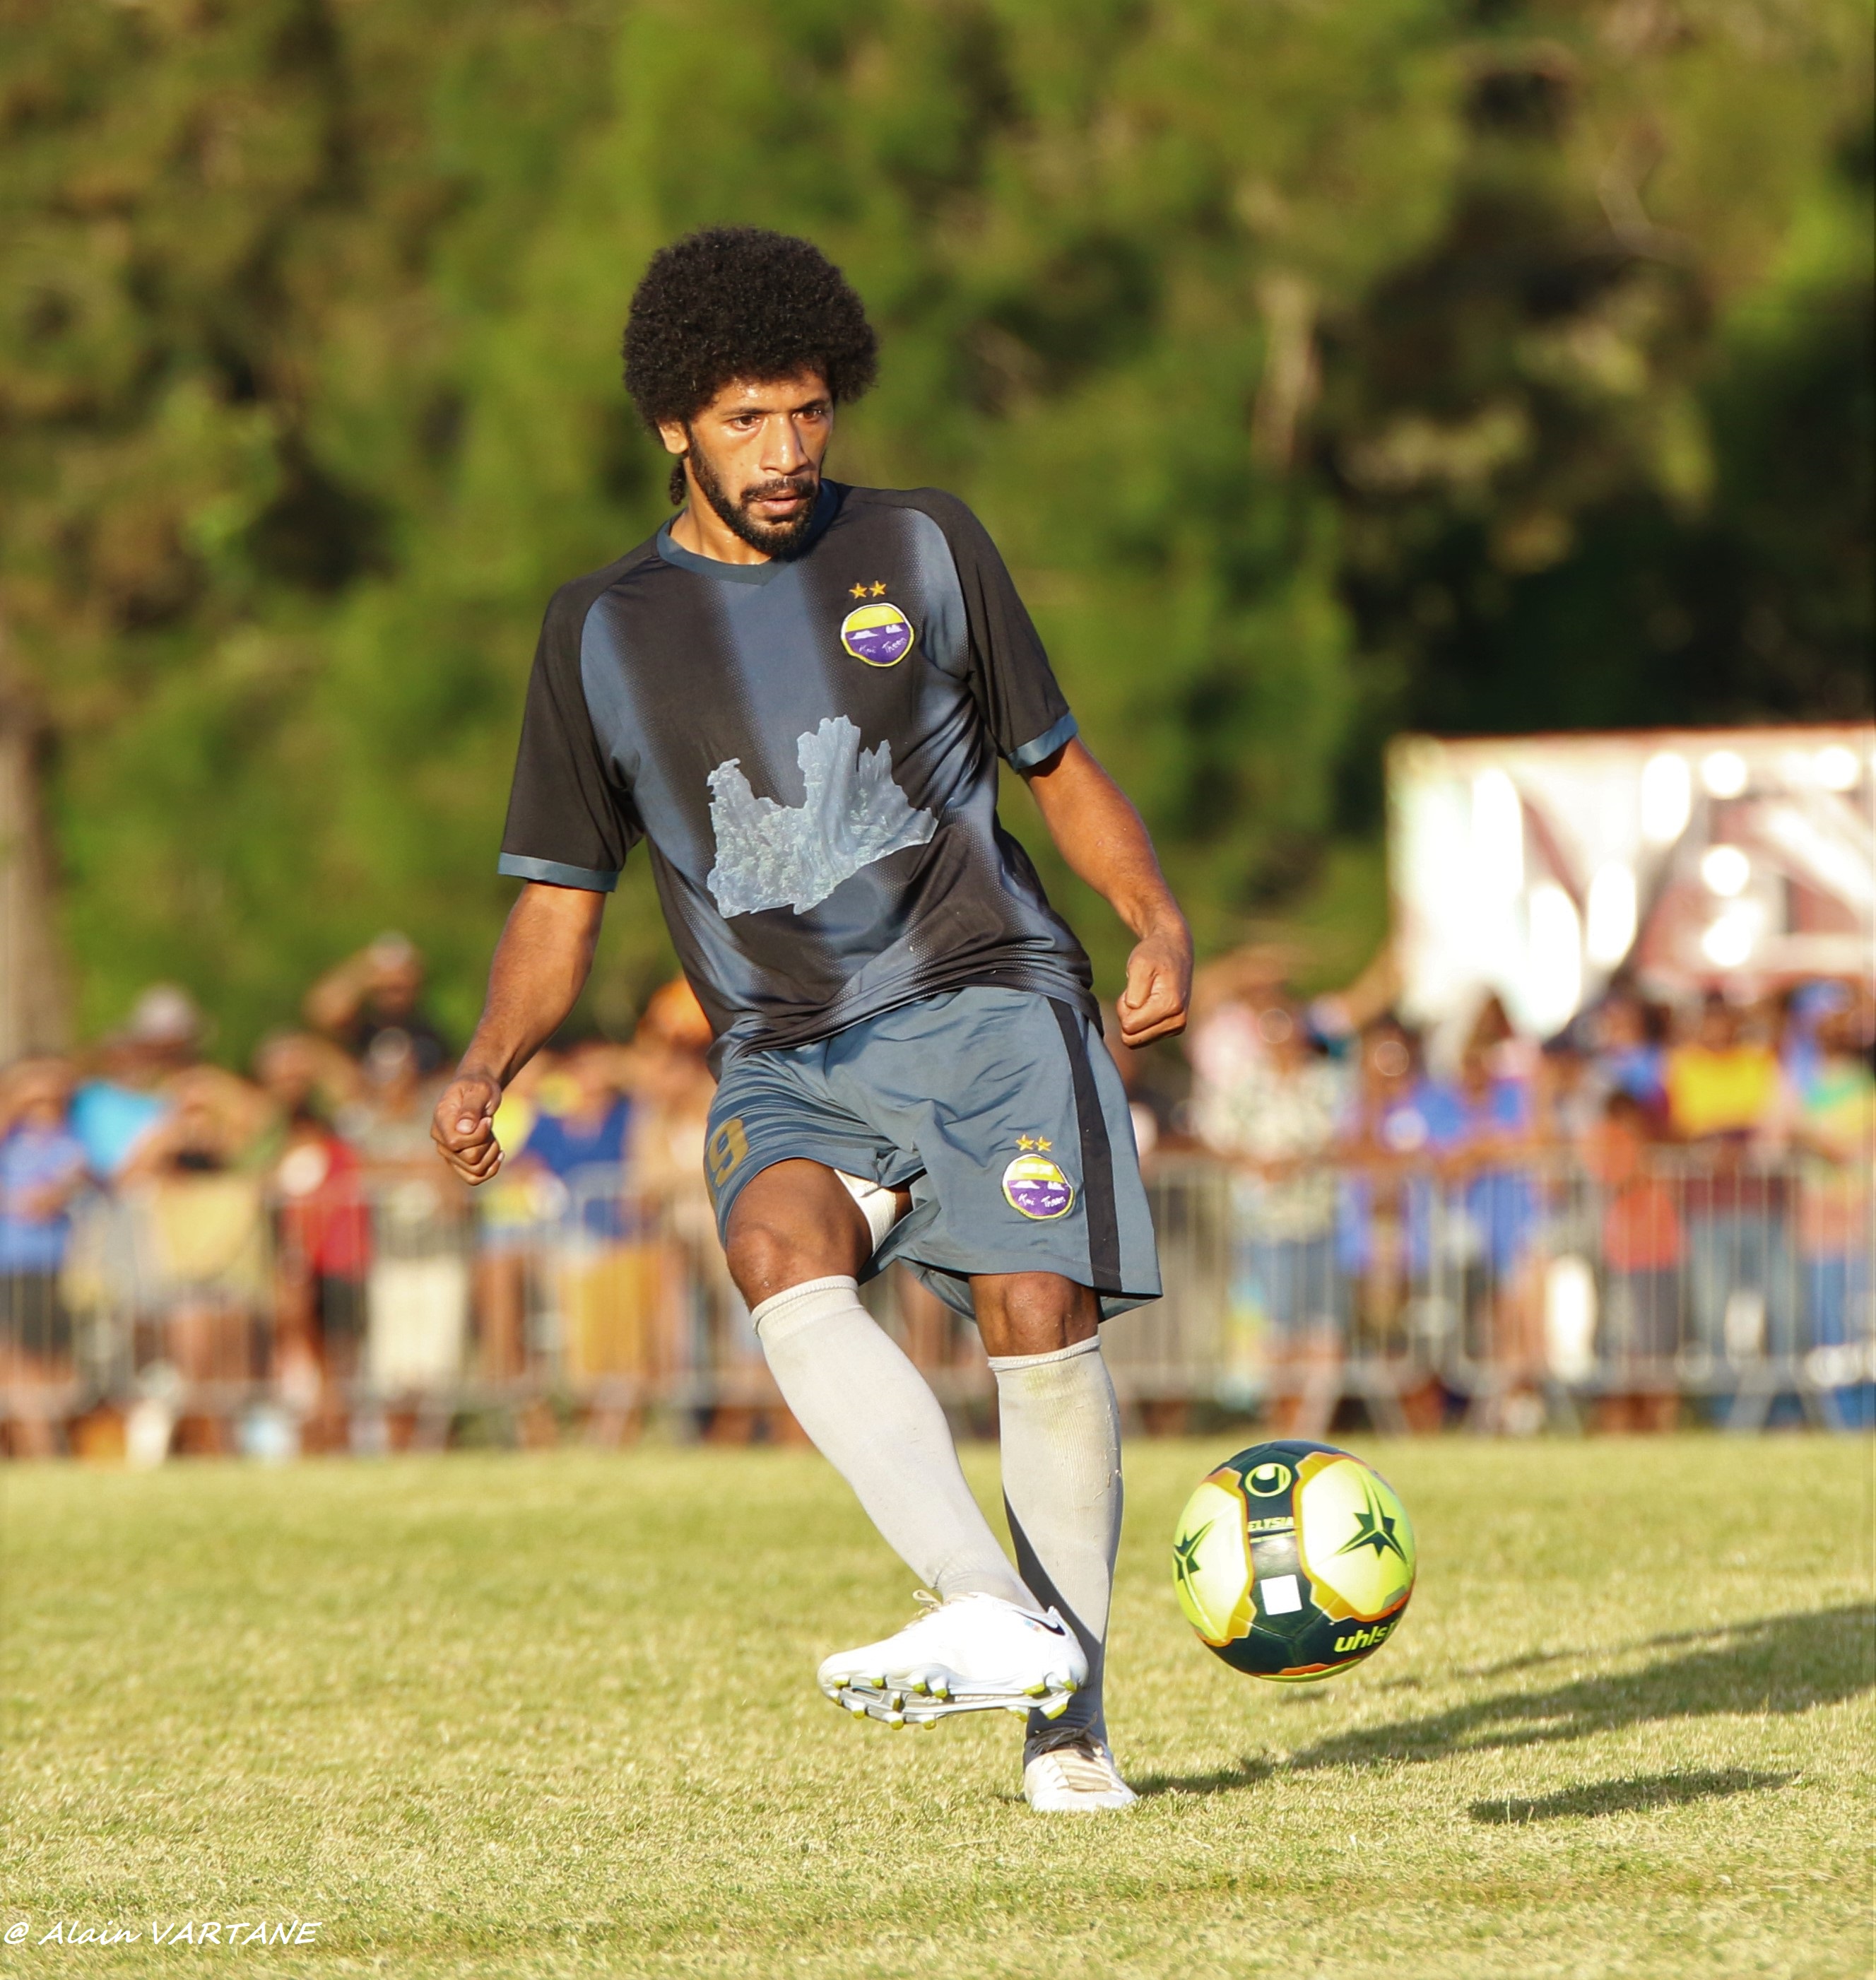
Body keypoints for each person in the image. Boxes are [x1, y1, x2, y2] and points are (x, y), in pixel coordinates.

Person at [431, 228, 1189, 1813]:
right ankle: (986, 1605)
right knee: (777, 1251)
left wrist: (1153, 913)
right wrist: (490, 1059)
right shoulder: (598, 633)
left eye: (806, 413)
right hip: (787, 1053)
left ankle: (1072, 1736)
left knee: (1033, 1322)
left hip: (987, 1001)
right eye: (743, 422)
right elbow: (559, 901)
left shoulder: (925, 546)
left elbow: (1052, 762)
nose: (784, 453)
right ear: (670, 427)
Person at [305, 933, 453, 1076]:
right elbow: (323, 1010)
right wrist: (363, 971)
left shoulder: (428, 1034)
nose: (395, 998)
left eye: (401, 989)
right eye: (386, 989)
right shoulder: (361, 1029)